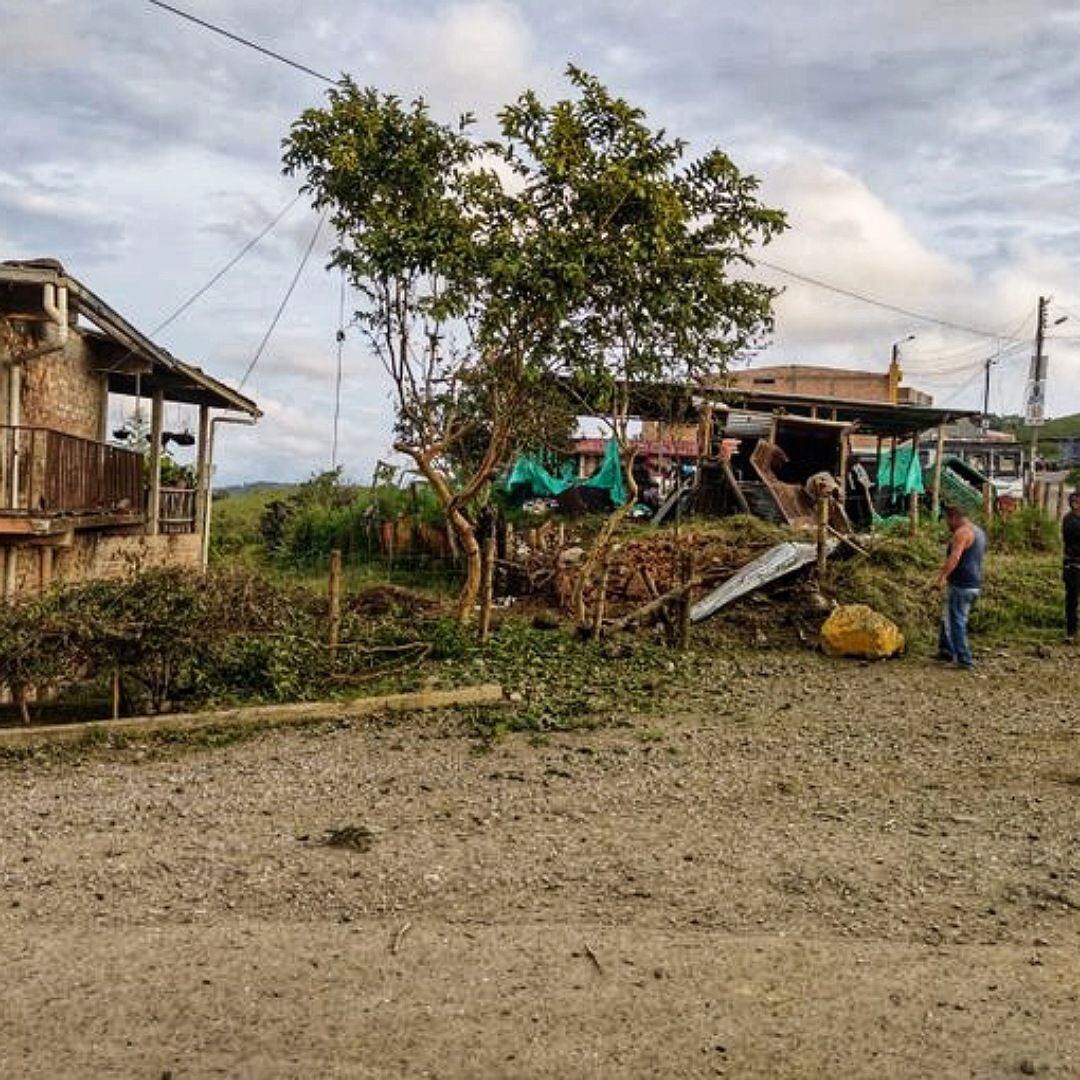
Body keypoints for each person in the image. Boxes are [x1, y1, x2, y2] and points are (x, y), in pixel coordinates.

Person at [935, 504, 987, 670]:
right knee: (949, 617)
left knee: (956, 621)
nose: (947, 525)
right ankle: (946, 650)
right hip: (974, 581)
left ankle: (964, 659)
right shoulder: (978, 531)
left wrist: (942, 576)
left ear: (954, 517)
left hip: (962, 584)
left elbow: (955, 557)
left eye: (947, 520)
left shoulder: (961, 533)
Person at [1063, 491, 1080, 643]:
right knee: (1072, 599)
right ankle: (1071, 632)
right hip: (1073, 565)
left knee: (1072, 600)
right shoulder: (1071, 521)